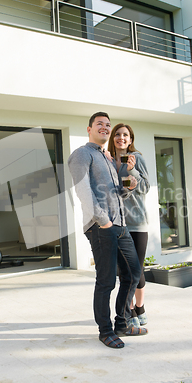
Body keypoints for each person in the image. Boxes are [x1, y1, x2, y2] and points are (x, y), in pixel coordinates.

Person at [68, 112, 148, 349]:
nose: (105, 127)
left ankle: (122, 322)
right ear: (89, 129)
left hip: (119, 224)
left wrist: (129, 186)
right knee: (105, 281)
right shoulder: (82, 154)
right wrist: (103, 221)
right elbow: (83, 191)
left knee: (133, 274)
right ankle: (105, 331)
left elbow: (117, 193)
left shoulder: (109, 157)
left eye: (107, 125)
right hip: (100, 226)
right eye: (99, 124)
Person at [108, 124, 150, 327]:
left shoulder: (136, 158)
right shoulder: (107, 160)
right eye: (117, 134)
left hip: (137, 223)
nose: (121, 138)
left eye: (125, 135)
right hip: (117, 223)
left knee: (136, 269)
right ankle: (130, 309)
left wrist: (132, 169)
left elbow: (145, 188)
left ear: (130, 139)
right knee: (125, 271)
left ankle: (139, 307)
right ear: (112, 138)